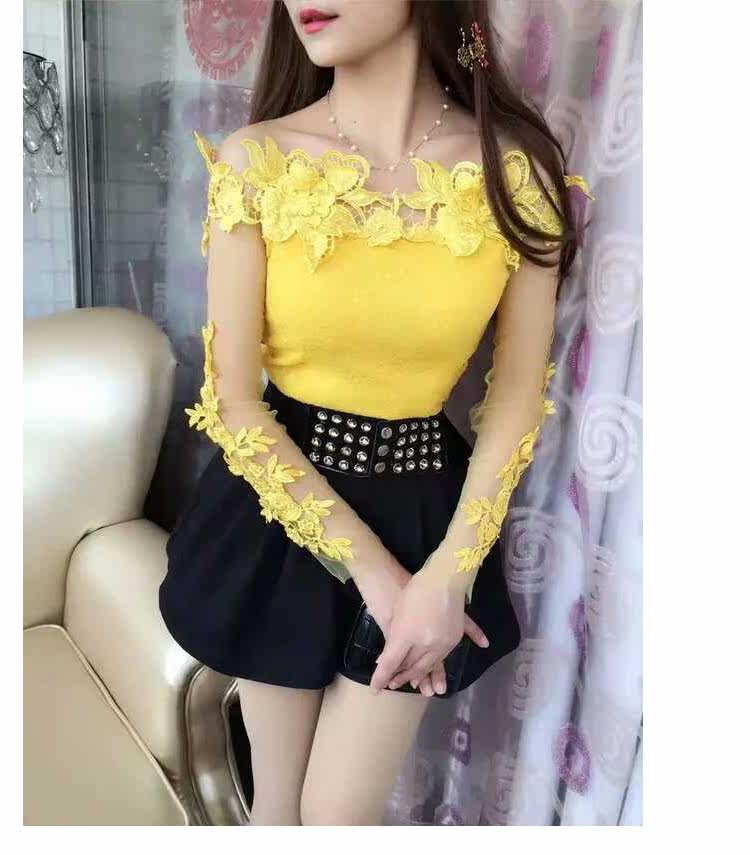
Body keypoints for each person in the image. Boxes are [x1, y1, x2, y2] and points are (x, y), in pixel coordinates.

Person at [159, 0, 593, 826]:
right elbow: (235, 401)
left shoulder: (515, 170)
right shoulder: (260, 161)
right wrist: (372, 572)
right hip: (278, 508)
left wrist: (448, 574)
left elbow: (513, 400)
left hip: (425, 516)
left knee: (336, 817)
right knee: (276, 808)